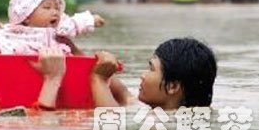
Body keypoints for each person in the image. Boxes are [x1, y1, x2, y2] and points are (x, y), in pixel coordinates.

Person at [89, 38, 217, 109]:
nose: (142, 75)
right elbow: (124, 95)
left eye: (151, 69)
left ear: (172, 86)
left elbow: (109, 121)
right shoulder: (160, 107)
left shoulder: (167, 121)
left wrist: (98, 79)